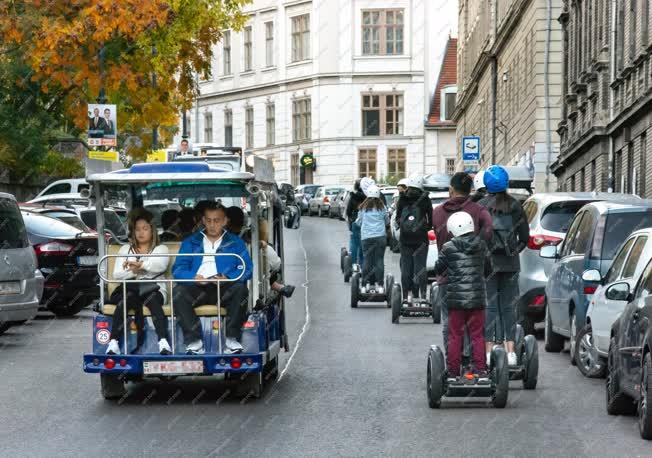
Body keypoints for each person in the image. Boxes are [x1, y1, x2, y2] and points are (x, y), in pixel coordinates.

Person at [172, 202, 253, 355]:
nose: (212, 224)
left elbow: (246, 269)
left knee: (241, 290)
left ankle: (231, 337)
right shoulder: (191, 242)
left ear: (225, 221)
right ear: (203, 220)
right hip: (198, 287)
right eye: (208, 220)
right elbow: (178, 269)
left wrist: (228, 277)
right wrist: (193, 277)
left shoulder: (236, 242)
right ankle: (194, 340)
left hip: (223, 287)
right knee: (178, 293)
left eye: (217, 220)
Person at [432, 172, 493, 351]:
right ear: (470, 191)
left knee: (450, 323)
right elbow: (489, 231)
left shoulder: (438, 212)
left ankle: (452, 362)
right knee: (473, 324)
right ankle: (471, 363)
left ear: (451, 190)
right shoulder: (479, 210)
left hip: (446, 276)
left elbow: (438, 233)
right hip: (473, 277)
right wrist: (477, 247)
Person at [478, 165, 530, 366]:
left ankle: (489, 352)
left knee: (490, 306)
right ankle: (510, 353)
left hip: (487, 265)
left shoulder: (481, 205)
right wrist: (513, 251)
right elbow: (524, 237)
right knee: (508, 307)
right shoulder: (516, 205)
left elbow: (476, 237)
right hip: (510, 264)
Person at [432, 212, 491, 377]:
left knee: (455, 335)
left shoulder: (448, 248)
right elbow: (488, 268)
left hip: (456, 301)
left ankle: (453, 372)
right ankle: (480, 370)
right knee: (477, 335)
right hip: (477, 300)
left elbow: (439, 268)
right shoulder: (481, 245)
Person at [106, 209, 171, 355]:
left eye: (145, 228)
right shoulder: (125, 249)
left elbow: (160, 265)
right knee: (126, 299)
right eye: (137, 229)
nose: (141, 232)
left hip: (155, 289)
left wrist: (140, 265)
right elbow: (117, 274)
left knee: (152, 299)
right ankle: (113, 342)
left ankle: (163, 341)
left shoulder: (161, 248)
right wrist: (134, 271)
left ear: (152, 231)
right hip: (131, 290)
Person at [395, 175, 432, 302]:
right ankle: (421, 296)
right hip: (421, 239)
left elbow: (398, 219)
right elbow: (430, 221)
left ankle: (405, 296)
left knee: (406, 267)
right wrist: (423, 229)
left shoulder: (402, 198)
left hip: (405, 239)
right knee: (420, 267)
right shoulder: (425, 199)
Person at [355, 184, 387, 292]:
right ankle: (381, 286)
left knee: (367, 261)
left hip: (367, 238)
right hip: (380, 237)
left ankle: (364, 285)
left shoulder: (363, 208)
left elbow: (358, 222)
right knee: (379, 261)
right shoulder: (382, 207)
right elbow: (387, 221)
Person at [259, 219, 295, 298]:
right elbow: (277, 265)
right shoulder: (266, 249)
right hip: (260, 284)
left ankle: (279, 287)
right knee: (273, 272)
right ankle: (279, 287)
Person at [345, 179, 366, 267]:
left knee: (354, 242)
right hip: (367, 222)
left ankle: (353, 264)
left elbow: (348, 211)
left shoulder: (353, 196)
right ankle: (364, 265)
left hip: (355, 221)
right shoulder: (369, 196)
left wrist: (351, 221)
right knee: (365, 243)